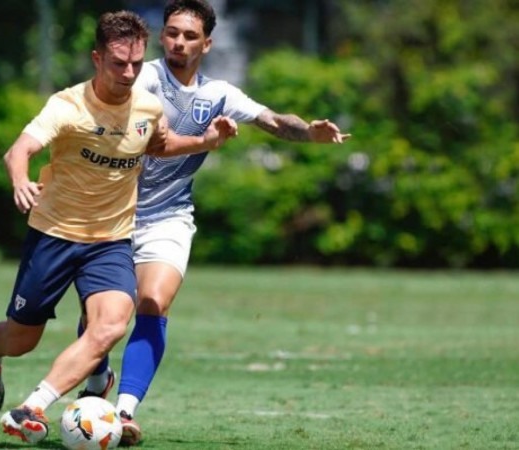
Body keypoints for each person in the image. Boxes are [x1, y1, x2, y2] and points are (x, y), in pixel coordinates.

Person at [74, 0, 351, 446]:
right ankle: (97, 375)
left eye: (188, 35)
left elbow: (274, 121)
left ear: (207, 43)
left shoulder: (218, 94)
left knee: (153, 302)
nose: (178, 43)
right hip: (110, 212)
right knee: (99, 320)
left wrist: (310, 132)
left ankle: (124, 412)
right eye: (171, 33)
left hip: (168, 217)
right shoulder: (139, 76)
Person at [0, 10, 237, 445]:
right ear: (97, 59)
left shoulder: (148, 107)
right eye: (119, 63)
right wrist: (21, 180)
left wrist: (207, 141)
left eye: (136, 63)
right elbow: (19, 150)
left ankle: (33, 406)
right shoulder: (68, 105)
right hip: (54, 235)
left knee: (112, 325)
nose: (130, 73)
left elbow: (162, 144)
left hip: (111, 240)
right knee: (21, 339)